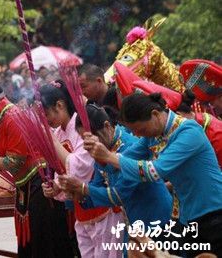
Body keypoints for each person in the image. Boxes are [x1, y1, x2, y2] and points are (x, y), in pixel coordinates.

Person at [0, 60, 74, 258]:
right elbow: (1, 151)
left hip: (39, 184)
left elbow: (13, 162)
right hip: (26, 185)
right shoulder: (0, 119)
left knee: (44, 243)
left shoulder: (12, 116)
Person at [82, 93, 222, 257]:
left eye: (141, 130)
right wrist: (100, 155)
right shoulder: (154, 136)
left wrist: (109, 157)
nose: (139, 136)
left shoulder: (188, 132)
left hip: (214, 214)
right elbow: (124, 160)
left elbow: (155, 171)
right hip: (187, 218)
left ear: (155, 114)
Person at [58, 104, 172, 246]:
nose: (88, 145)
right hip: (134, 223)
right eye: (83, 140)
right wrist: (79, 195)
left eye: (91, 138)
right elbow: (95, 185)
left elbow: (118, 195)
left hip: (156, 220)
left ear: (107, 126)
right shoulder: (100, 148)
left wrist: (82, 188)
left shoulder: (130, 147)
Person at [39, 80, 123, 257]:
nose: (46, 120)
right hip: (81, 209)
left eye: (46, 113)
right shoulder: (58, 132)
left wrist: (53, 143)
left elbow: (80, 168)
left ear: (60, 105)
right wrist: (56, 187)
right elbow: (64, 173)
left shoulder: (83, 124)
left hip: (102, 206)